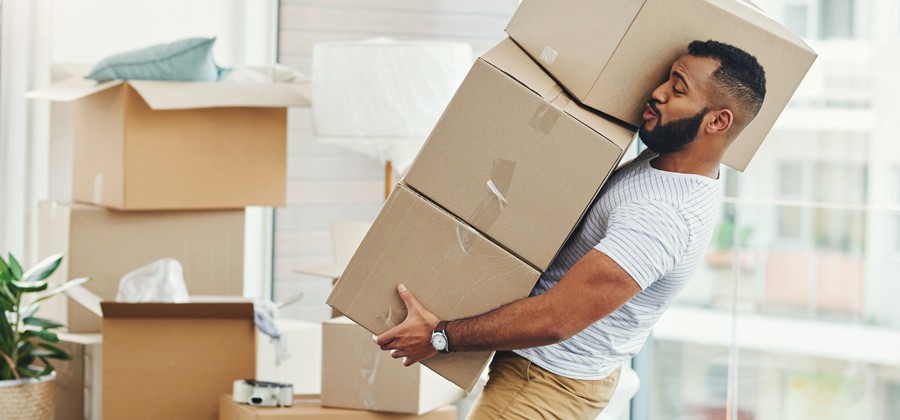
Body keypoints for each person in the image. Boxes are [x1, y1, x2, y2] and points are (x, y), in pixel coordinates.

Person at [374, 39, 767, 419]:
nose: (658, 92)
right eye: (666, 79)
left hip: (546, 384)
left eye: (677, 89)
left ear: (718, 120)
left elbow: (556, 319)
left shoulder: (663, 216)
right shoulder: (665, 163)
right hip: (543, 371)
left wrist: (441, 337)